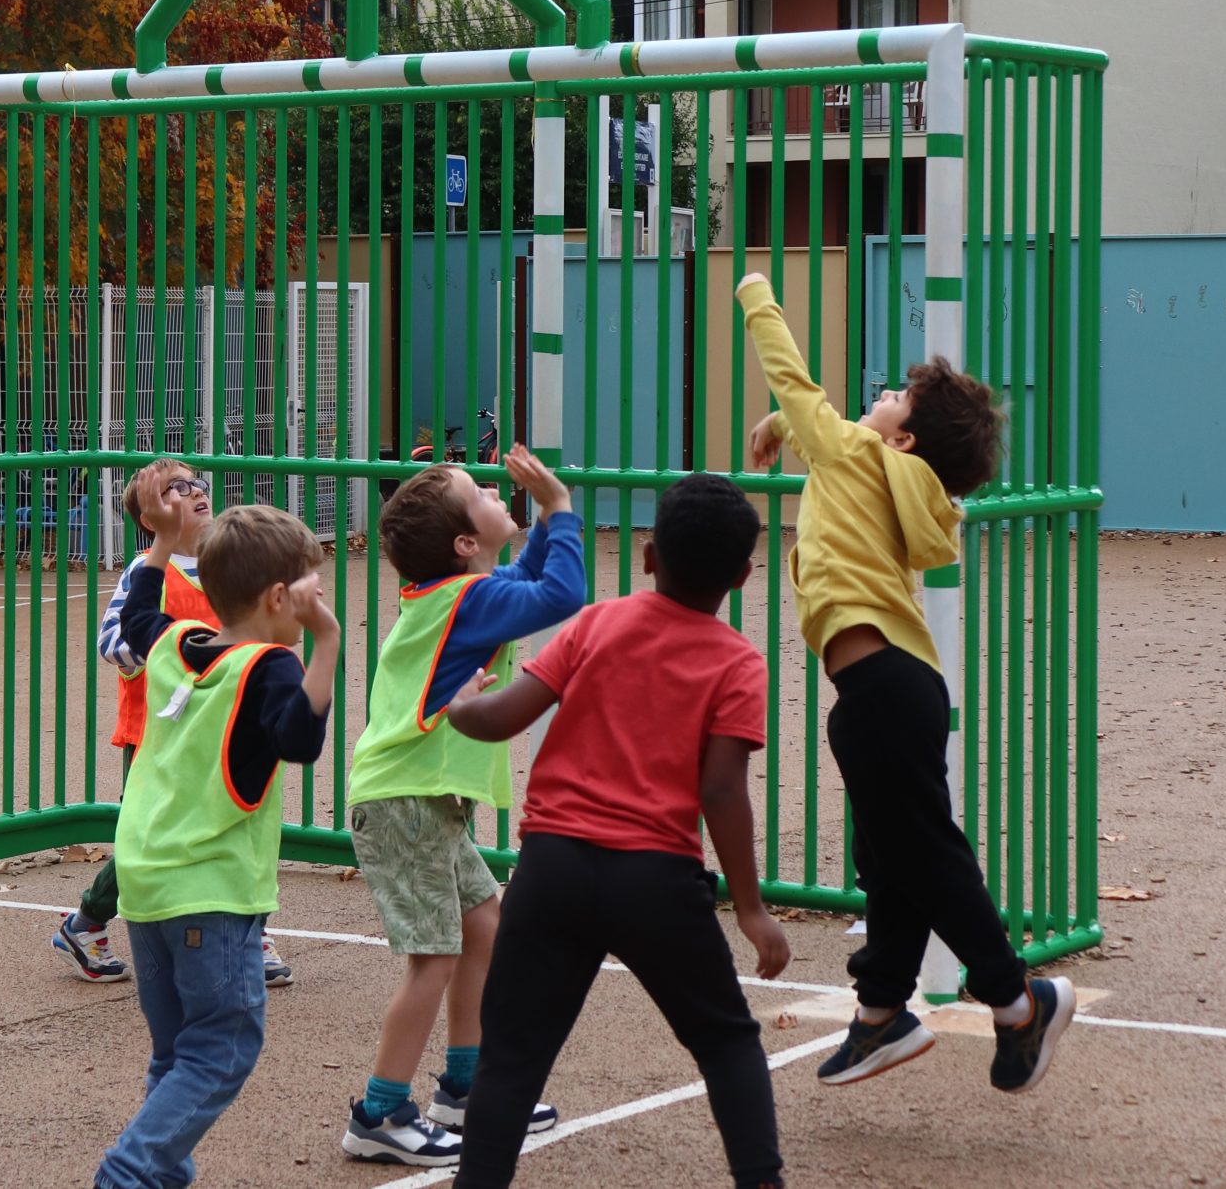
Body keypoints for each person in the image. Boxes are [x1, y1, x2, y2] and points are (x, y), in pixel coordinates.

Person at [735, 271, 1074, 1093]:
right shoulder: (887, 471)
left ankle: (1016, 993)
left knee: (920, 850)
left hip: (882, 685)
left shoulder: (856, 454)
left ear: (903, 440)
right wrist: (790, 424)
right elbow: (830, 422)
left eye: (892, 397)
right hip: (893, 686)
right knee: (890, 855)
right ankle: (883, 1011)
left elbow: (797, 379)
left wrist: (756, 297)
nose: (878, 395)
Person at [442, 472, 790, 1189]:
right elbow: (722, 791)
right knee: (726, 1040)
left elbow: (504, 715)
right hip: (654, 878)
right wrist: (751, 909)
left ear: (648, 555)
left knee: (511, 1056)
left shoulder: (598, 622)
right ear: (744, 574)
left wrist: (461, 705)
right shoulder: (737, 661)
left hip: (553, 867)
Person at [341, 449, 581, 1168]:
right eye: (476, 490)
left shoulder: (458, 596)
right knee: (435, 955)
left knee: (482, 926)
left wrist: (539, 518)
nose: (487, 484)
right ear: (464, 545)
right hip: (403, 800)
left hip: (422, 801)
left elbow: (527, 581)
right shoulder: (467, 602)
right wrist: (560, 509)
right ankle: (379, 1112)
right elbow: (560, 593)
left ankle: (466, 1087)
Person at [95, 500, 337, 1189]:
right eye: (313, 585)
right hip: (211, 890)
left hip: (145, 882)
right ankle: (130, 1170)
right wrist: (328, 644)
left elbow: (139, 613)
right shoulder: (271, 664)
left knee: (176, 1054)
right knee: (222, 1048)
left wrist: (161, 545)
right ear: (279, 596)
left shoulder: (177, 642)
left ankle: (155, 1177)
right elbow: (300, 740)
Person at [55, 459, 294, 989]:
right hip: (160, 729)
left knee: (242, 821)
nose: (194, 492)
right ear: (150, 515)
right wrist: (169, 656)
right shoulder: (146, 571)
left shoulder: (228, 565)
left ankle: (253, 929)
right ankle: (87, 921)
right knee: (156, 839)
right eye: (174, 489)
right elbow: (112, 641)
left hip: (227, 722)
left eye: (195, 483)